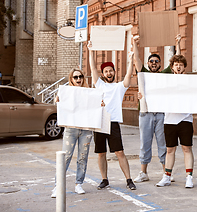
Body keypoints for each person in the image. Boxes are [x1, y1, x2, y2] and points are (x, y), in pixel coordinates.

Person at [132, 35, 181, 183]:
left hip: (161, 114)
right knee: (145, 143)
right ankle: (143, 172)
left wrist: (177, 43)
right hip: (145, 113)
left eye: (156, 61)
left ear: (160, 64)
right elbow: (136, 59)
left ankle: (166, 173)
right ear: (148, 63)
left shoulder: (165, 74)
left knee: (163, 144)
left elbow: (177, 60)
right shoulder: (144, 73)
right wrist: (134, 43)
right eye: (151, 61)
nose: (154, 63)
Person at [88, 42, 136, 190]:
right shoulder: (99, 84)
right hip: (100, 122)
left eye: (111, 71)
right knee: (101, 153)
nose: (109, 73)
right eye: (106, 71)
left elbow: (129, 75)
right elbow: (92, 68)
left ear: (114, 72)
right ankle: (104, 179)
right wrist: (90, 51)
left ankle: (129, 180)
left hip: (113, 122)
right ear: (103, 74)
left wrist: (131, 58)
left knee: (119, 152)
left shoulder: (119, 87)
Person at [51, 68, 94, 198]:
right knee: (66, 157)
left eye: (80, 76)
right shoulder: (66, 93)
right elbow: (59, 105)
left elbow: (94, 107)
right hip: (71, 129)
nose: (78, 79)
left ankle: (78, 183)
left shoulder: (89, 92)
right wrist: (57, 100)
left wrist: (100, 104)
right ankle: (57, 186)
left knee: (83, 157)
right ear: (71, 79)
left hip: (86, 128)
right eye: (75, 77)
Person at [155, 54, 195, 188]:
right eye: (176, 64)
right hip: (170, 119)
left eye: (181, 64)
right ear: (172, 67)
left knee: (186, 148)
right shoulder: (166, 81)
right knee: (170, 150)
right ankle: (167, 176)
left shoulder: (189, 81)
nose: (178, 66)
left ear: (184, 67)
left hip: (185, 118)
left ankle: (189, 177)